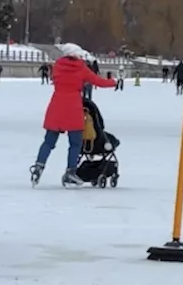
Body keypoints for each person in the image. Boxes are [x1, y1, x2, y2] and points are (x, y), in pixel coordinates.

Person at [30, 43, 117, 187]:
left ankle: (38, 167)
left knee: (49, 142)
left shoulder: (57, 66)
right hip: (73, 108)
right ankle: (70, 172)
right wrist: (114, 82)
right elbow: (98, 81)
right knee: (75, 143)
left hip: (56, 106)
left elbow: (55, 79)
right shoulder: (81, 68)